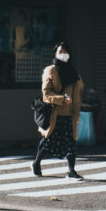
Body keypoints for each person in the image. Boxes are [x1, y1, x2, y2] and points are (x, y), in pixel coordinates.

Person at [32, 42, 84, 180]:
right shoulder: (51, 70)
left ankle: (71, 170)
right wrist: (61, 99)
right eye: (60, 50)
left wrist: (76, 111)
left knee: (71, 142)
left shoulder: (74, 73)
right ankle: (36, 163)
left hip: (69, 114)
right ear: (55, 54)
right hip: (55, 113)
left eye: (66, 50)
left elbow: (77, 95)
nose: (63, 53)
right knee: (48, 141)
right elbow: (46, 93)